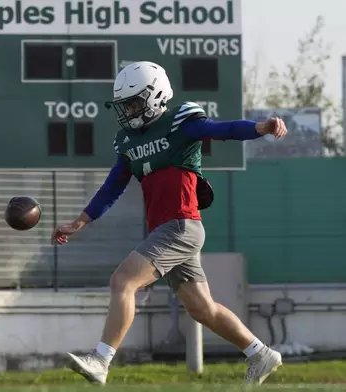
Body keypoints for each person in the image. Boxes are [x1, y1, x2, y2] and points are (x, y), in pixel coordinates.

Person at [52, 61, 287, 386]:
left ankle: (101, 360)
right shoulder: (128, 141)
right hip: (169, 229)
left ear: (154, 95)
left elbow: (224, 129)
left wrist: (260, 127)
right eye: (126, 105)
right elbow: (112, 186)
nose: (130, 110)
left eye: (134, 102)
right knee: (202, 309)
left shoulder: (181, 122)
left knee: (122, 281)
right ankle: (260, 353)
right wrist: (81, 220)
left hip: (180, 226)